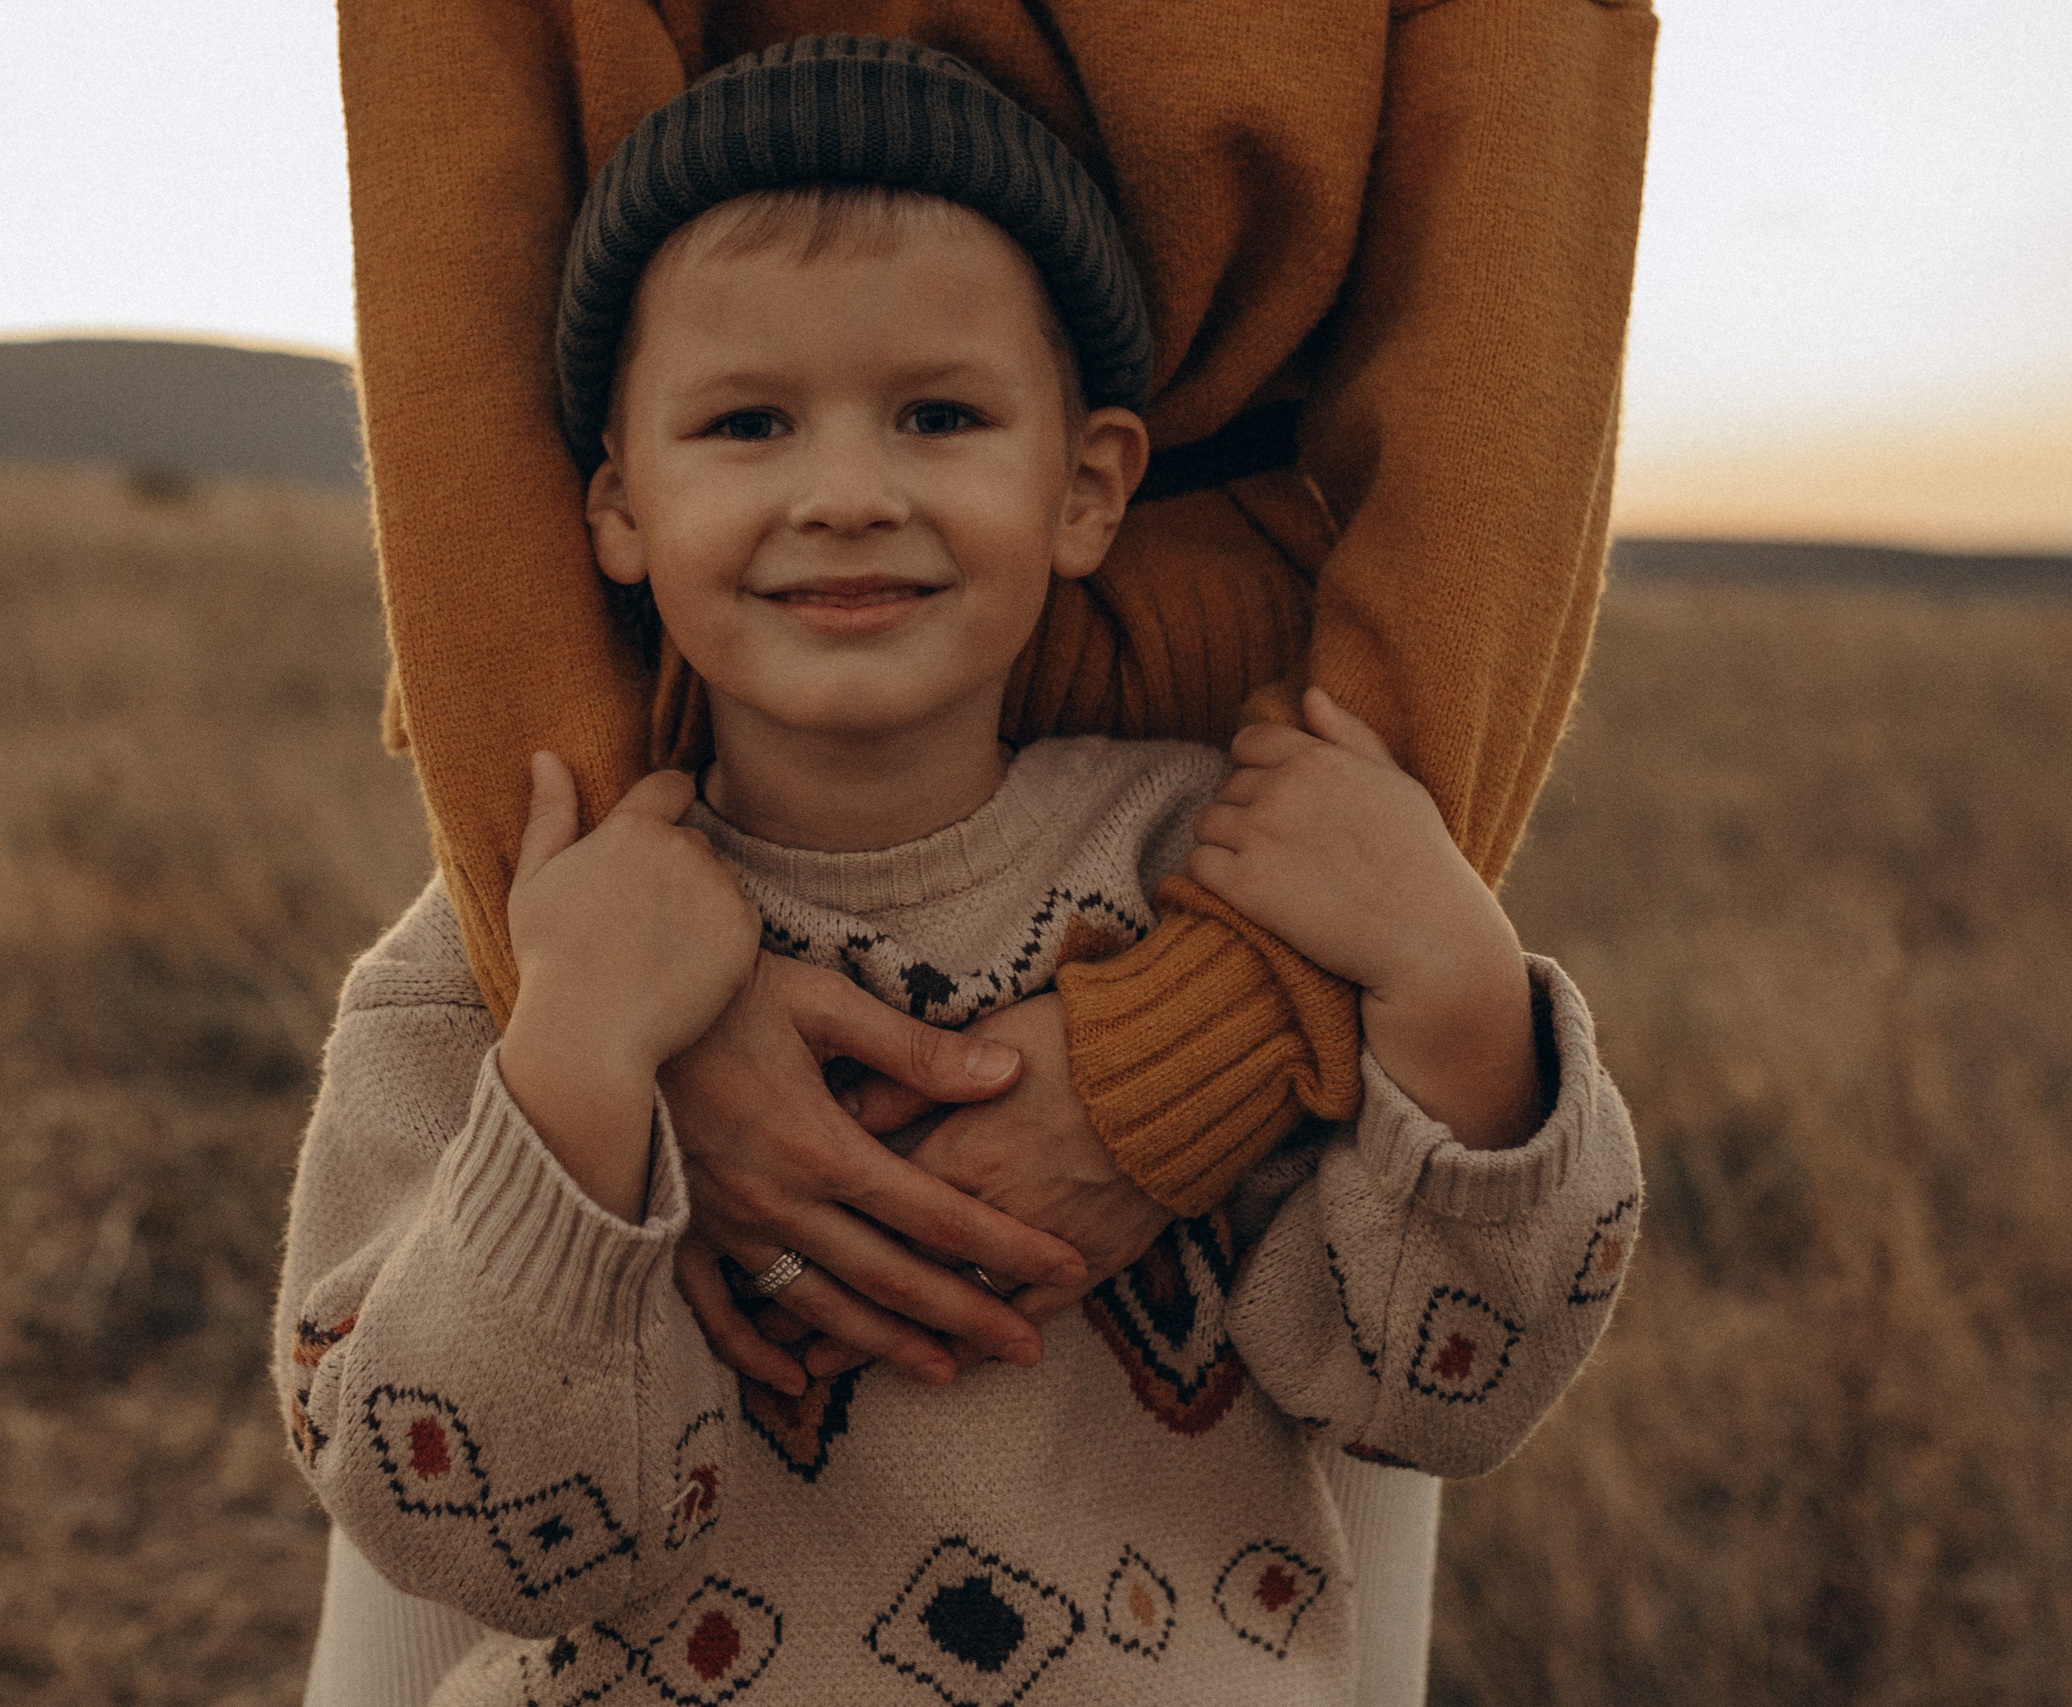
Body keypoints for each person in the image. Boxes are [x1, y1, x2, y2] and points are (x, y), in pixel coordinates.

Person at [281, 39, 1642, 1705]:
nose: (847, 496)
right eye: (748, 422)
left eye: (938, 415)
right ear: (614, 509)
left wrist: (1455, 993)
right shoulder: (498, 967)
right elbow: (461, 1533)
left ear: (1086, 490)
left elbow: (1442, 1391)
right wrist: (572, 1060)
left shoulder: (1215, 895)